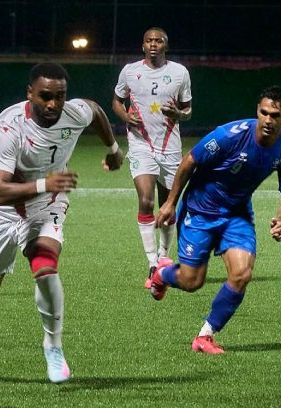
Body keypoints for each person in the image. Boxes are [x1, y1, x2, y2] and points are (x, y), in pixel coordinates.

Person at [0, 62, 123, 383]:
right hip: (3, 211)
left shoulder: (73, 113)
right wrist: (47, 183)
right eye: (45, 96)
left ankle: (53, 345)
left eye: (60, 96)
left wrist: (113, 149)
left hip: (47, 205)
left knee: (45, 266)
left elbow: (97, 111)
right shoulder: (9, 124)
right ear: (30, 93)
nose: (54, 104)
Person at [149, 85, 281, 354]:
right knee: (192, 282)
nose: (268, 120)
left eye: (275, 115)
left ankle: (205, 336)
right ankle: (162, 273)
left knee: (242, 274)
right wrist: (171, 203)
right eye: (263, 113)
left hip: (237, 215)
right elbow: (189, 161)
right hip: (199, 211)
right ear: (257, 111)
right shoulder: (230, 136)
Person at [109, 27, 192, 288]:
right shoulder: (130, 71)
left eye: (158, 40)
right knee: (146, 200)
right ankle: (152, 263)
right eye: (149, 40)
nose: (153, 44)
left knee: (168, 205)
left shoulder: (179, 73)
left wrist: (178, 114)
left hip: (170, 148)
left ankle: (164, 256)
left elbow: (188, 110)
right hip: (140, 144)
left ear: (166, 45)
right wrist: (125, 116)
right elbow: (116, 101)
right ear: (142, 45)